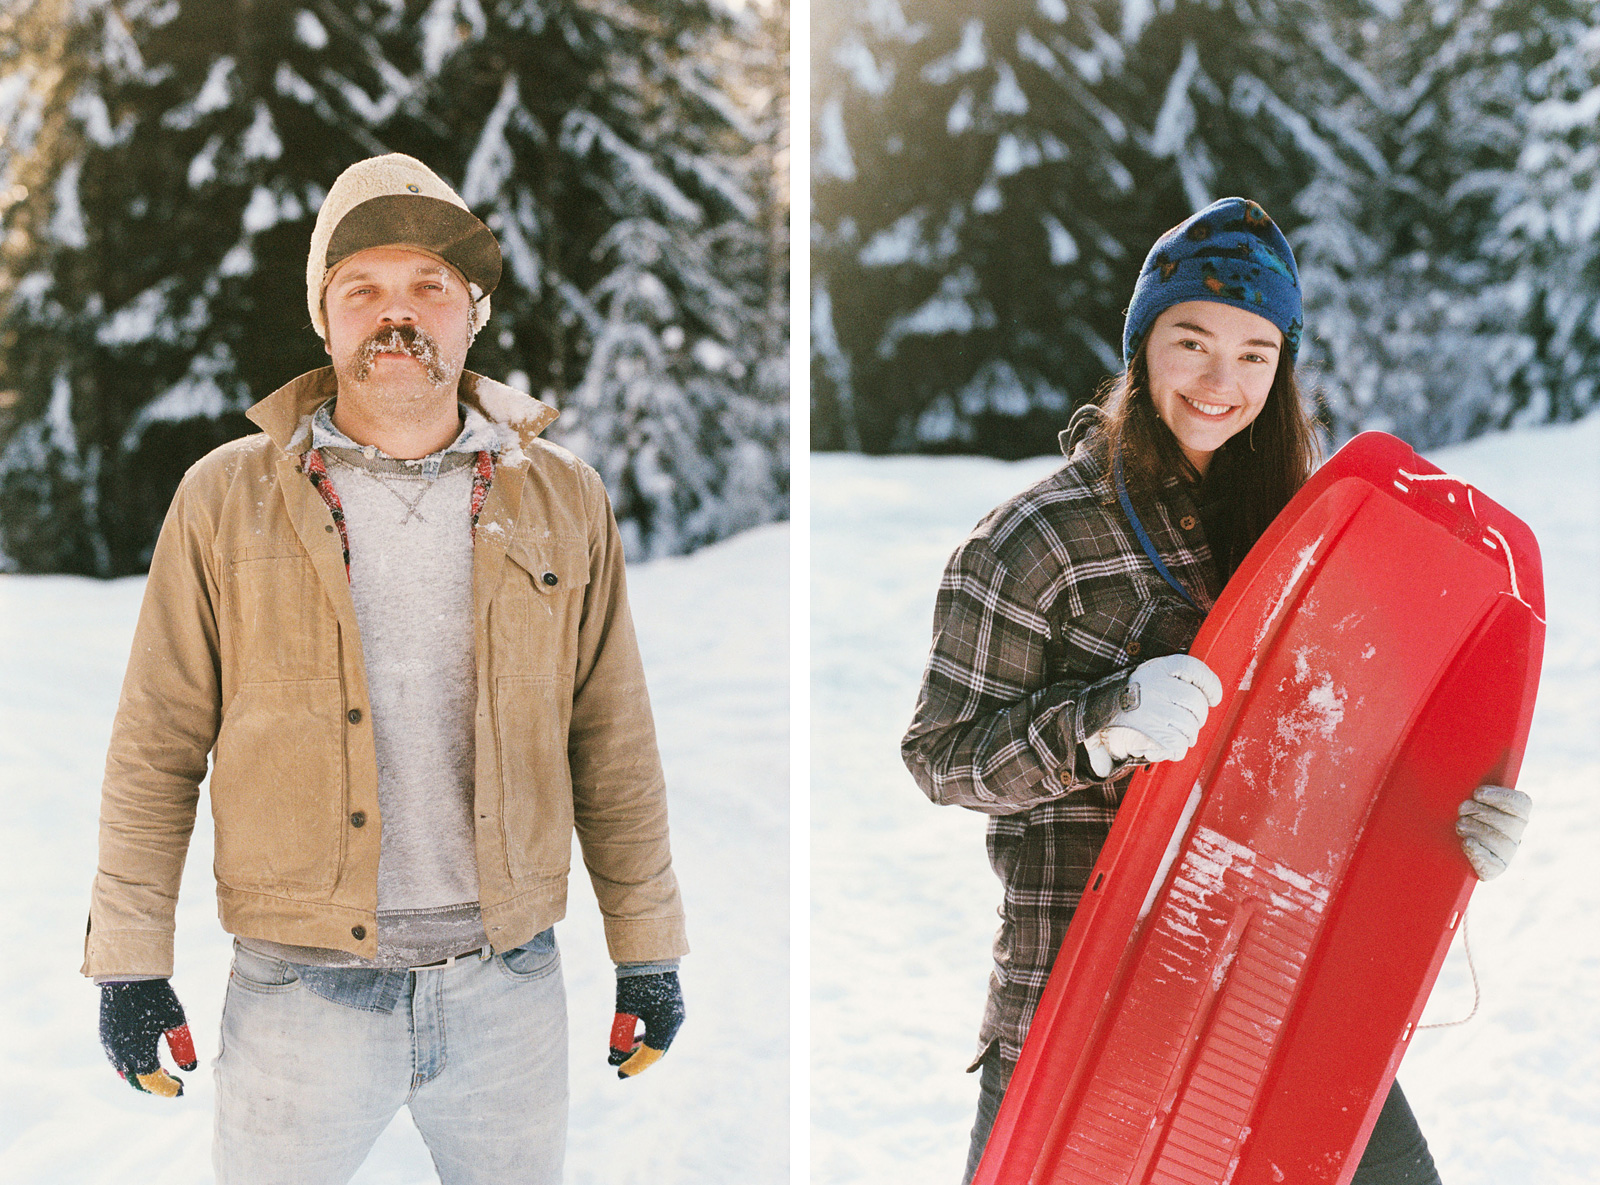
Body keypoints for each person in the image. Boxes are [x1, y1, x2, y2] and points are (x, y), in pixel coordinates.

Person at [82, 153, 688, 1184]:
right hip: (296, 996)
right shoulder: (224, 497)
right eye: (361, 288)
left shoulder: (564, 498)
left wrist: (648, 947)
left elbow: (612, 737)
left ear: (472, 313)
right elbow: (157, 740)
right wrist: (130, 964)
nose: (394, 315)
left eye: (427, 288)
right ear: (324, 317)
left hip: (509, 988)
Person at [901, 197, 1532, 1185]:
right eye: (1191, 341)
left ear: (1281, 370)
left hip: (1272, 994)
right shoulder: (1034, 542)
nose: (1219, 381)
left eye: (1253, 354)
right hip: (1084, 1002)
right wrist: (1101, 724)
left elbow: (1345, 754)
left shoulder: (1312, 534)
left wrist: (1450, 825)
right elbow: (940, 758)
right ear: (1141, 345)